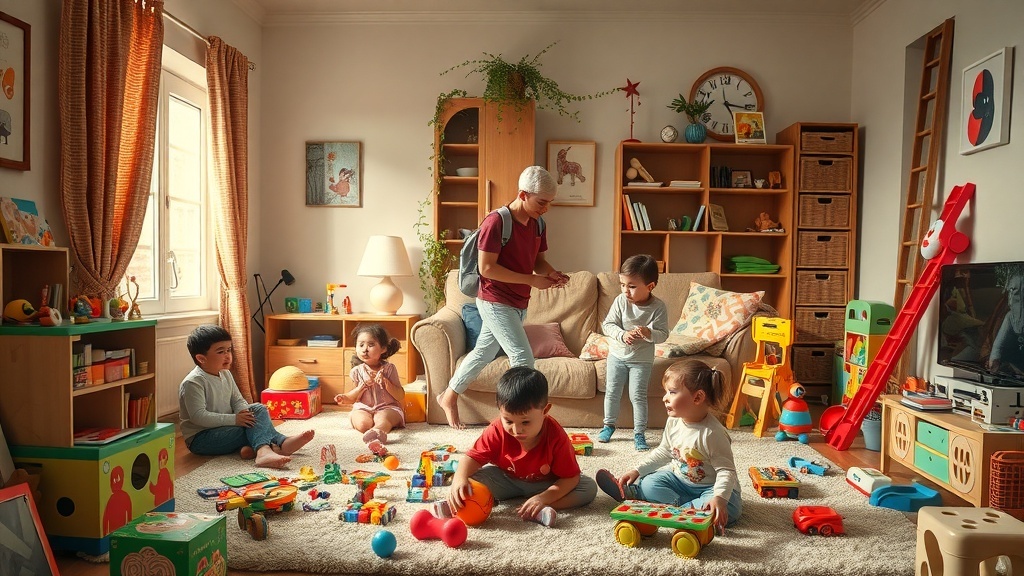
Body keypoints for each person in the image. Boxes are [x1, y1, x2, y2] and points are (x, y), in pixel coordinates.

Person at [437, 166, 570, 429]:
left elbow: (537, 261)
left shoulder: (537, 223)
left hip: (518, 302)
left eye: (549, 203)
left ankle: (449, 396)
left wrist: (552, 273)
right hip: (494, 300)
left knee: (483, 353)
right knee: (523, 359)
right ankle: (516, 419)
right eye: (541, 202)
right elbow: (487, 268)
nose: (546, 209)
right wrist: (532, 279)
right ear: (523, 194)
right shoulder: (496, 222)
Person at [595, 359, 742, 535]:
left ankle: (693, 513)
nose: (665, 398)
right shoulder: (673, 422)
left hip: (712, 487)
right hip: (680, 481)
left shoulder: (712, 433)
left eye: (672, 392)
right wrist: (637, 471)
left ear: (698, 397)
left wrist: (719, 498)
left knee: (728, 508)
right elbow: (664, 451)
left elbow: (727, 471)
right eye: (666, 392)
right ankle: (640, 494)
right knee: (649, 483)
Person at [439, 366, 597, 527]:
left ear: (545, 411)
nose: (516, 430)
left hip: (546, 484)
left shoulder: (556, 436)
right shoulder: (496, 430)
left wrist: (544, 498)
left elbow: (570, 478)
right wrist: (459, 480)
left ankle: (537, 508)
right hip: (506, 480)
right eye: (508, 421)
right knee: (470, 479)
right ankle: (462, 504)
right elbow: (472, 458)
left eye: (525, 422)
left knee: (588, 488)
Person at [179, 324, 314, 469]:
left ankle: (268, 446)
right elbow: (199, 417)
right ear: (201, 358)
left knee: (258, 409)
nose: (228, 356)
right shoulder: (193, 382)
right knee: (250, 427)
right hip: (201, 439)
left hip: (224, 427)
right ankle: (267, 449)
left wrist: (244, 413)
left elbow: (237, 399)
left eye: (229, 350)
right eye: (220, 352)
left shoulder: (225, 373)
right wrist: (235, 419)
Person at [598, 254, 669, 451]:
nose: (625, 291)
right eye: (622, 284)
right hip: (617, 356)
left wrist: (648, 333)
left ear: (650, 286)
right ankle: (608, 426)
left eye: (631, 286)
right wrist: (622, 335)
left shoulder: (658, 307)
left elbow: (663, 334)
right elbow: (608, 324)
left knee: (637, 396)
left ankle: (639, 433)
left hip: (642, 360)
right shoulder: (621, 301)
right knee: (612, 391)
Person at [333, 323, 405, 454]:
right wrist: (346, 397)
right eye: (361, 345)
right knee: (362, 424)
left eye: (371, 345)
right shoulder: (356, 372)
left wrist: (386, 383)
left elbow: (400, 395)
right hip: (363, 407)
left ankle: (377, 433)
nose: (365, 349)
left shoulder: (389, 369)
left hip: (388, 407)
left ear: (383, 349)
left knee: (382, 419)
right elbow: (352, 398)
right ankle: (368, 429)